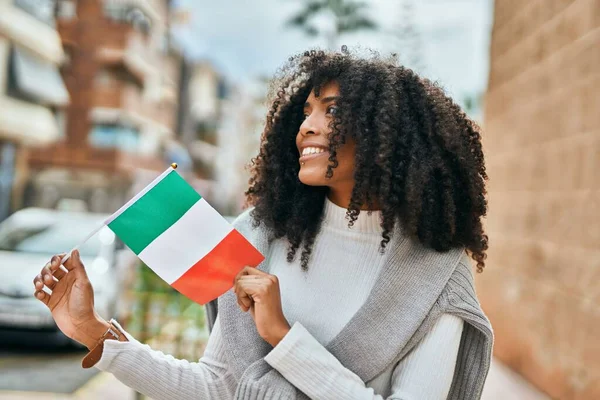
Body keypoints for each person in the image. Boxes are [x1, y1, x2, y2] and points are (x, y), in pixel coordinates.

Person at [33, 49, 493, 400]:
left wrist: (283, 337)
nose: (306, 127)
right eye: (307, 111)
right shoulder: (258, 234)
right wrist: (92, 330)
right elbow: (216, 388)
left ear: (388, 135)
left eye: (331, 111)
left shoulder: (436, 276)